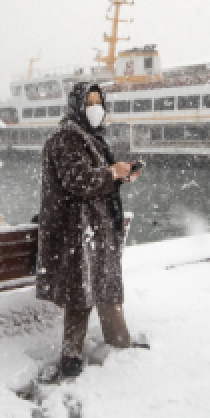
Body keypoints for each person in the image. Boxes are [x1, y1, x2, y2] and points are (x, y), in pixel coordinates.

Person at [36, 82, 143, 378]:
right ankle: (71, 355)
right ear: (77, 105)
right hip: (76, 228)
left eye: (99, 102)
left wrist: (120, 176)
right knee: (81, 292)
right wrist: (111, 173)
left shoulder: (90, 136)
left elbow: (95, 180)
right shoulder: (67, 136)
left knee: (104, 285)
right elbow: (78, 181)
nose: (96, 108)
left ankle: (118, 340)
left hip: (94, 226)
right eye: (89, 102)